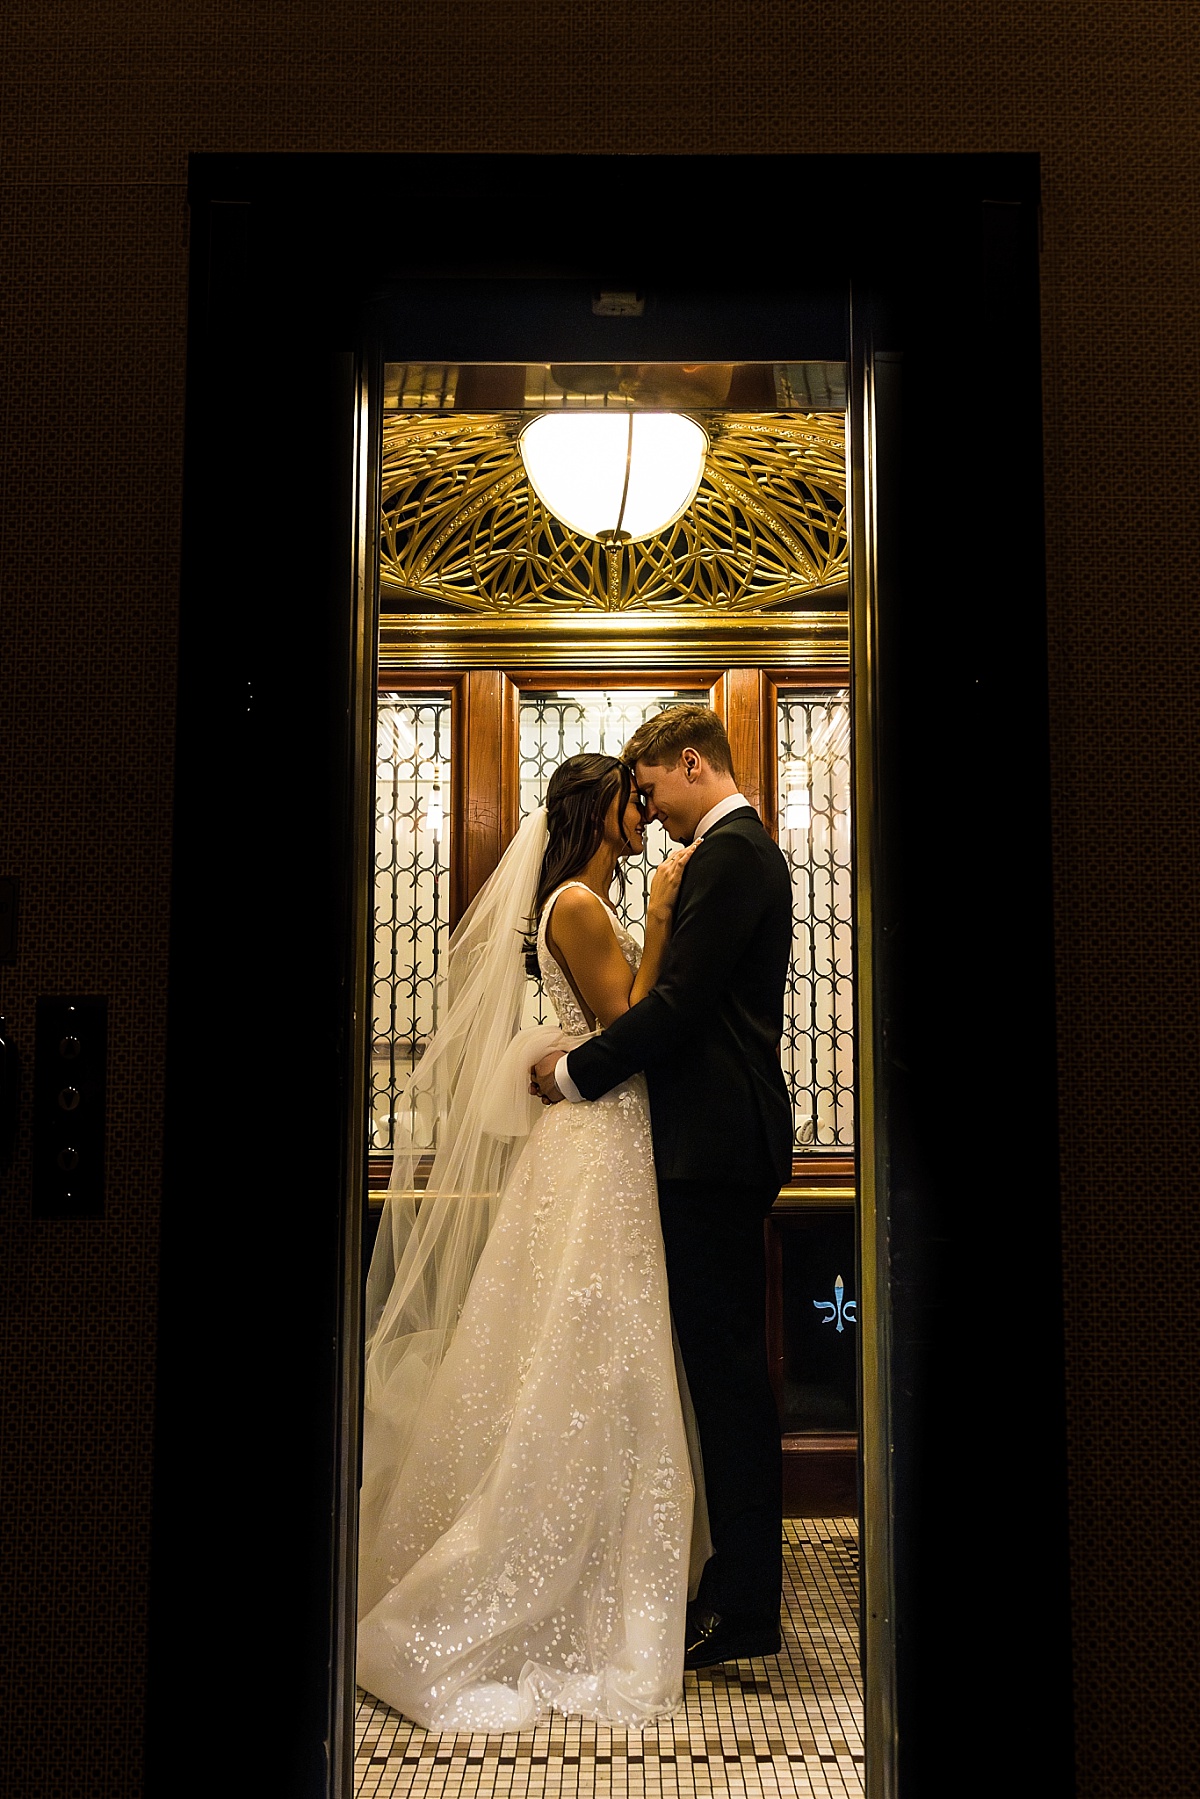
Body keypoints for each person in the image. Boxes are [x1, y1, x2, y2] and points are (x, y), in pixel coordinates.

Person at [356, 754, 708, 1733]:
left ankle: (587, 1555)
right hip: (597, 1143)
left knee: (588, 1346)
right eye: (632, 803)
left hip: (600, 1131)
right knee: (583, 1343)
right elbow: (629, 1017)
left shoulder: (578, 901)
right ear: (598, 811)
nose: (643, 817)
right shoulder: (579, 905)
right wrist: (671, 915)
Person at [532, 707, 792, 1669]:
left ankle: (743, 1607)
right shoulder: (728, 854)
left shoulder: (730, 854)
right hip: (707, 1147)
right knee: (715, 1374)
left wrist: (573, 1075)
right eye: (632, 799)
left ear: (693, 764)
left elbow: (676, 1008)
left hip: (714, 1150)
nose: (647, 809)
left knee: (725, 1379)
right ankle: (727, 1589)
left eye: (650, 789)